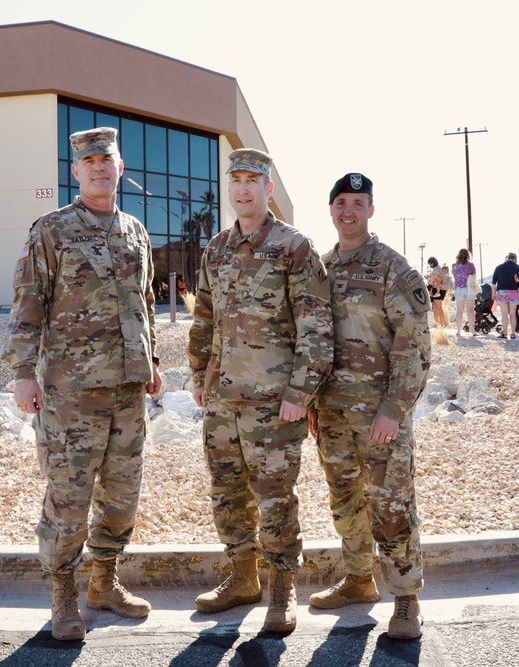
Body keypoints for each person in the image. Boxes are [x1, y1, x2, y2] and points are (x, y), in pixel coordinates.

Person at [1, 127, 162, 642]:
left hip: (128, 390)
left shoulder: (135, 229)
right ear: (75, 172)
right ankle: (63, 594)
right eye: (88, 162)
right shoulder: (52, 229)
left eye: (106, 160)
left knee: (121, 495)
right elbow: (28, 304)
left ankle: (104, 583)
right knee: (68, 498)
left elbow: (144, 302)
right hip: (71, 391)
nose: (98, 168)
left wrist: (151, 360)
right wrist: (23, 373)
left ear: (120, 167)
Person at [188, 148, 334, 633]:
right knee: (226, 492)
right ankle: (243, 577)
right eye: (236, 180)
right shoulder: (216, 248)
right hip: (221, 400)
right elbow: (204, 318)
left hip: (274, 402)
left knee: (274, 496)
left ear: (268, 188)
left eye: (254, 180)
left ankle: (281, 588)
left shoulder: (294, 247)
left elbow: (316, 326)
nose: (244, 189)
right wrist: (197, 377)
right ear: (228, 187)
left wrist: (300, 393)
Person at [309, 172, 431, 641]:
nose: (348, 211)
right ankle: (359, 579)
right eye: (341, 202)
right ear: (332, 209)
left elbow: (415, 348)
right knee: (345, 502)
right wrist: (313, 404)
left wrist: (394, 410)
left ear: (371, 210)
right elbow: (313, 342)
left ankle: (405, 599)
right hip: (333, 413)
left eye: (357, 202)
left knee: (392, 505)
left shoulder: (394, 269)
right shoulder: (320, 269)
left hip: (380, 414)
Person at [491, 252, 519, 339]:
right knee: (513, 314)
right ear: (515, 259)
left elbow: (494, 282)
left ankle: (504, 333)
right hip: (513, 292)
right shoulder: (516, 267)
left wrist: (493, 293)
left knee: (504, 314)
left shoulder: (499, 267)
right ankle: (513, 333)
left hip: (501, 291)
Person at [451, 248, 477, 336]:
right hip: (469, 288)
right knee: (470, 310)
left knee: (459, 311)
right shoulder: (470, 265)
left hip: (458, 288)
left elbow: (454, 277)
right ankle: (472, 329)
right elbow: (474, 275)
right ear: (468, 255)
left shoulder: (454, 266)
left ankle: (458, 330)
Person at [426, 257, 448, 328]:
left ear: (433, 263)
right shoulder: (438, 268)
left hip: (437, 289)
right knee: (435, 309)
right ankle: (437, 324)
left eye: (430, 263)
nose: (430, 265)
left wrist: (429, 286)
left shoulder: (436, 269)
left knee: (438, 308)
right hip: (439, 289)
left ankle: (441, 324)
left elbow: (434, 280)